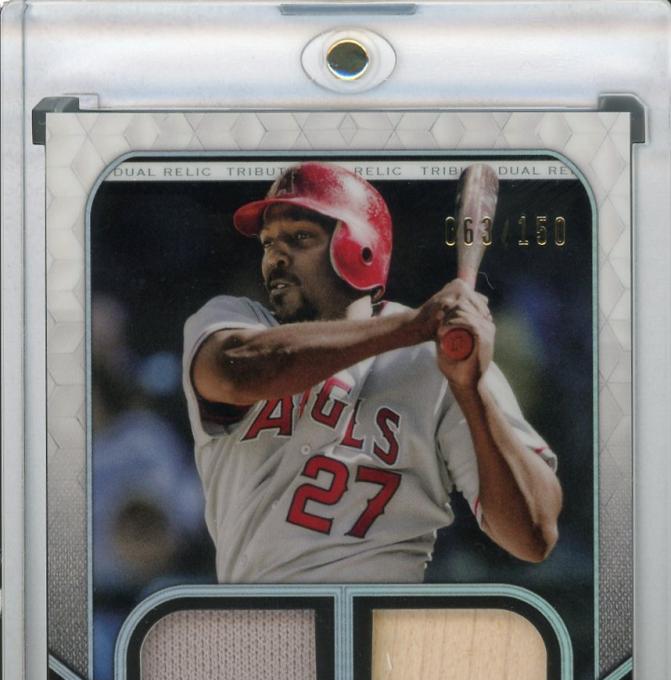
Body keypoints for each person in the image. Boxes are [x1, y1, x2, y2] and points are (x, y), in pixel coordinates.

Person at [183, 162, 561, 583]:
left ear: (360, 248)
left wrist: (471, 391)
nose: (276, 257)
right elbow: (237, 375)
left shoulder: (438, 359)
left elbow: (534, 536)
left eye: (300, 237)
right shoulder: (235, 322)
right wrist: (414, 327)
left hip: (384, 613)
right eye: (268, 242)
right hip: (266, 613)